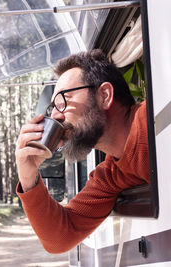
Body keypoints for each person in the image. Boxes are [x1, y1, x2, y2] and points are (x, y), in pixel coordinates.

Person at [15, 49, 149, 253]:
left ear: (105, 96)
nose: (56, 118)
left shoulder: (157, 120)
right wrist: (28, 175)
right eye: (53, 108)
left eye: (64, 102)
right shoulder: (112, 175)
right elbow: (59, 238)